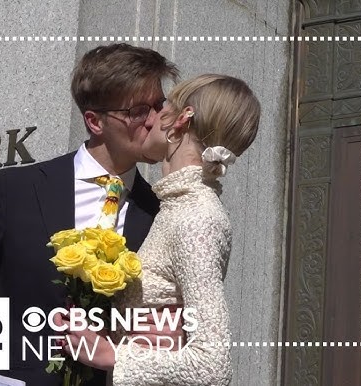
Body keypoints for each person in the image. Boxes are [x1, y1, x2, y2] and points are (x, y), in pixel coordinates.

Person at [0, 43, 181, 386]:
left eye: (160, 105)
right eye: (139, 111)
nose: (156, 120)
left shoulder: (160, 211)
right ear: (95, 121)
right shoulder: (18, 189)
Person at [61, 74, 261, 385]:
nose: (152, 118)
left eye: (161, 107)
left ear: (181, 120)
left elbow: (213, 367)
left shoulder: (197, 217)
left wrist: (113, 355)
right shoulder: (175, 206)